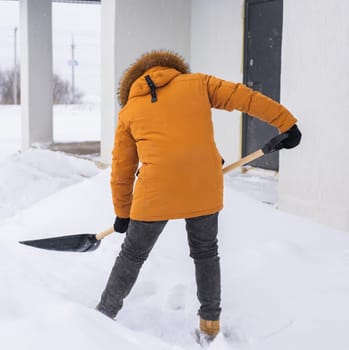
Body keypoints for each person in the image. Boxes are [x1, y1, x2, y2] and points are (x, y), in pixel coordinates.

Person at [96, 50, 302, 340]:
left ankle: (104, 314)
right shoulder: (197, 84)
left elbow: (122, 169)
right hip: (203, 185)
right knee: (206, 253)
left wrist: (123, 212)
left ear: (135, 82)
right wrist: (286, 122)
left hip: (155, 192)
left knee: (132, 255)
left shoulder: (129, 111)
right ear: (171, 69)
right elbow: (245, 97)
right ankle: (210, 323)